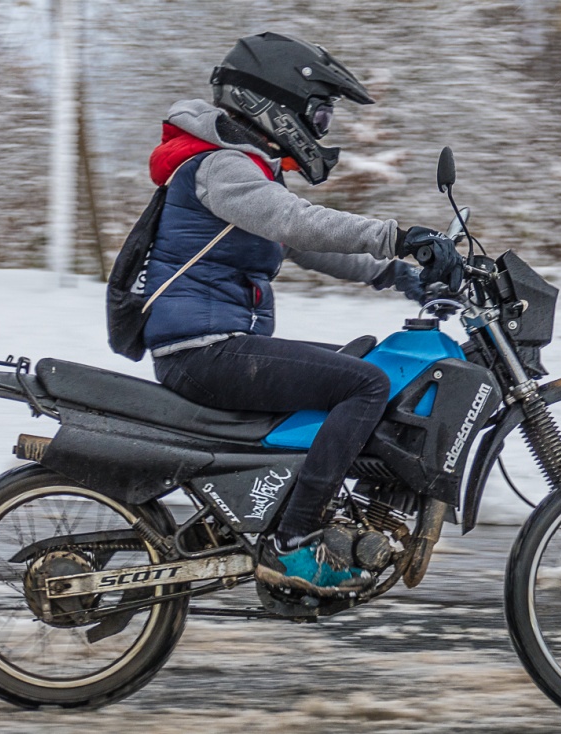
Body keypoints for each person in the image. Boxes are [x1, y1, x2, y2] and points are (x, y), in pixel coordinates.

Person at [144, 32, 462, 597]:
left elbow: (300, 245)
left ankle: (271, 513)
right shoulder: (223, 167)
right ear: (275, 102)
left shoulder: (238, 169)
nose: (321, 128)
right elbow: (296, 222)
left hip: (211, 347)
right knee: (367, 384)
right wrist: (399, 237)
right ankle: (296, 543)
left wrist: (396, 275)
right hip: (203, 352)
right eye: (319, 112)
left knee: (353, 364)